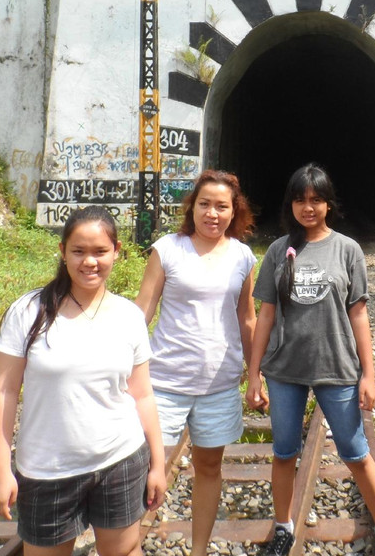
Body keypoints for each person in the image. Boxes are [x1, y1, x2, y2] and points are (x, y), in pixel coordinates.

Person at [0, 205, 166, 556]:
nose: (90, 262)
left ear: (116, 252)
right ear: (63, 252)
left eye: (100, 251)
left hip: (120, 459)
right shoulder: (28, 312)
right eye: (79, 251)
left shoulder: (128, 316)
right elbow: (4, 392)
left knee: (126, 550)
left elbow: (142, 395)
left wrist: (158, 464)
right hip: (47, 469)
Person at [246, 163, 375, 556]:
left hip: (336, 365)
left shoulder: (347, 249)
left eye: (316, 199)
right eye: (300, 199)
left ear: (329, 204)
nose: (308, 207)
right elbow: (265, 314)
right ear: (291, 204)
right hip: (285, 369)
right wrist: (254, 374)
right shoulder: (280, 250)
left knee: (355, 451)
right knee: (283, 453)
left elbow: (359, 313)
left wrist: (369, 373)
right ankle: (284, 527)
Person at [134, 170, 260, 556]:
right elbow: (144, 308)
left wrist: (255, 375)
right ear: (193, 207)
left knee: (208, 469)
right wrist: (120, 366)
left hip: (218, 385)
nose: (212, 213)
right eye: (205, 204)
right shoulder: (168, 249)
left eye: (222, 206)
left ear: (234, 211)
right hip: (165, 382)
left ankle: (200, 549)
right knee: (145, 469)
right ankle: (126, 545)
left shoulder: (242, 255)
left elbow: (247, 317)